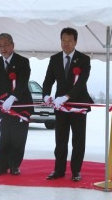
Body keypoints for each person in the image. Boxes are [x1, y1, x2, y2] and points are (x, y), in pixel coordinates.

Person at [43, 27, 93, 182]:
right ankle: (59, 170)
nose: (66, 43)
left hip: (78, 105)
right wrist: (45, 95)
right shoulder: (55, 59)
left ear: (75, 42)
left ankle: (76, 171)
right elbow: (48, 80)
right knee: (60, 140)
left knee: (78, 140)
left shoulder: (84, 59)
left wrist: (66, 97)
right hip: (60, 107)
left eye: (69, 40)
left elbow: (81, 83)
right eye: (63, 40)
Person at [0, 33, 33, 176]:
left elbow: (23, 82)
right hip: (3, 107)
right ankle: (1, 166)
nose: (3, 48)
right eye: (0, 45)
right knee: (5, 136)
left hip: (21, 106)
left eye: (5, 45)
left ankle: (14, 166)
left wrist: (13, 98)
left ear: (13, 45)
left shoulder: (23, 62)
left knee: (18, 137)